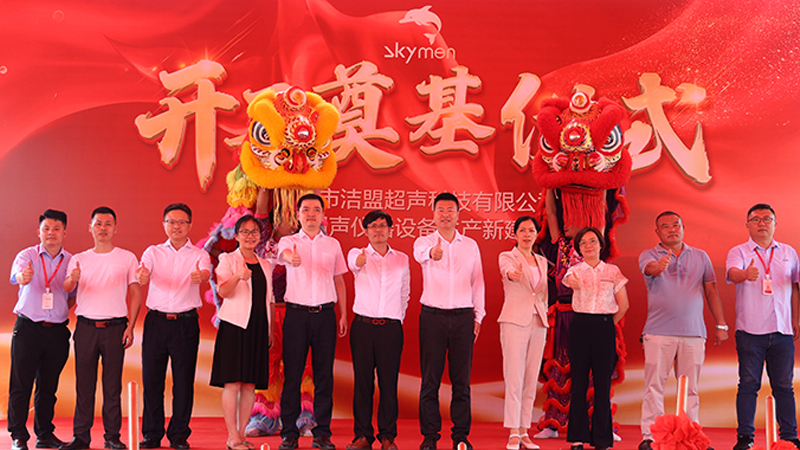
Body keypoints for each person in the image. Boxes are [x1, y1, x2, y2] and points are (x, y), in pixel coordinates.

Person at [637, 212, 729, 450]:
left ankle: (691, 436)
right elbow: (650, 269)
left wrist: (721, 324)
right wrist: (659, 266)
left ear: (683, 228)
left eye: (675, 225)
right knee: (654, 386)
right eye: (665, 226)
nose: (672, 230)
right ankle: (651, 436)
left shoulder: (700, 256)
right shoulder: (649, 255)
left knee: (690, 388)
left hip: (694, 332)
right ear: (657, 232)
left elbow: (711, 291)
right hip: (658, 331)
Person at [61, 207, 142, 450]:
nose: (103, 228)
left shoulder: (127, 258)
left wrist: (131, 326)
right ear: (90, 228)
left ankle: (112, 437)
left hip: (116, 327)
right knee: (84, 386)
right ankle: (81, 437)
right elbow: (67, 288)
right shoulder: (79, 259)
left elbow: (135, 293)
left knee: (112, 386)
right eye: (98, 224)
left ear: (115, 228)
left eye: (108, 224)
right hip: (86, 328)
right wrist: (73, 278)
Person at [413, 192, 485, 450]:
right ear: (433, 215)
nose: (445, 215)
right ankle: (429, 436)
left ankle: (460, 436)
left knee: (461, 382)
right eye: (440, 210)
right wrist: (432, 253)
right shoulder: (424, 242)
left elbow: (478, 281)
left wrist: (478, 315)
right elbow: (420, 254)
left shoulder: (470, 245)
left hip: (463, 318)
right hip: (432, 317)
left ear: (457, 215)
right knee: (430, 380)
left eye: (450, 210)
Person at [137, 203, 212, 450]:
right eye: (171, 222)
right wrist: (142, 276)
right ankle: (152, 434)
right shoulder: (153, 252)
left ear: (190, 225)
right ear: (164, 225)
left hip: (185, 324)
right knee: (152, 381)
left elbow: (205, 272)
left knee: (183, 382)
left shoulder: (199, 255)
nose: (176, 226)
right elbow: (143, 271)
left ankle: (179, 434)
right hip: (156, 323)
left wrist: (201, 277)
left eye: (181, 222)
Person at [277, 194, 348, 450]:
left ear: (323, 215)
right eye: (306, 209)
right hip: (296, 316)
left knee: (324, 375)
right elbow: (283, 255)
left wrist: (343, 314)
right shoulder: (289, 241)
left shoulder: (332, 244)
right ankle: (289, 434)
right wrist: (291, 258)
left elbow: (339, 279)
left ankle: (322, 434)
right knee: (292, 375)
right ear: (298, 215)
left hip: (325, 315)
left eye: (316, 210)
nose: (311, 214)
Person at [726, 204, 800, 450]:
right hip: (750, 331)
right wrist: (745, 274)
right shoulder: (739, 251)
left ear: (775, 224)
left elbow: (795, 288)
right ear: (747, 225)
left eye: (767, 219)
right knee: (748, 385)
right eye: (755, 219)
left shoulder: (789, 252)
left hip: (782, 331)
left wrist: (795, 320)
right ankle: (745, 437)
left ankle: (789, 436)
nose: (761, 223)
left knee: (784, 386)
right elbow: (732, 273)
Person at [8, 210, 73, 450]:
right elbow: (18, 275)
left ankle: (44, 434)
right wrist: (23, 276)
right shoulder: (27, 256)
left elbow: (73, 295)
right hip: (28, 328)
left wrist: (56, 311)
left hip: (56, 332)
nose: (51, 233)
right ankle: (18, 436)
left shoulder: (71, 261)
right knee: (21, 384)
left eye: (56, 228)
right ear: (39, 232)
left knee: (48, 386)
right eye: (46, 228)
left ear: (64, 232)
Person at [345, 211, 410, 450]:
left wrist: (396, 318)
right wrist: (360, 261)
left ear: (390, 230)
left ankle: (388, 436)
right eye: (373, 226)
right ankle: (363, 435)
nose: (378, 230)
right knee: (363, 383)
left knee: (389, 383)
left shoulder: (401, 259)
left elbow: (405, 293)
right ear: (365, 231)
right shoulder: (357, 254)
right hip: (363, 327)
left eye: (383, 225)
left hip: (390, 329)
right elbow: (354, 263)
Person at [210, 215, 274, 450]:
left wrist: (270, 329)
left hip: (258, 327)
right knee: (233, 383)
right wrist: (238, 276)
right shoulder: (228, 259)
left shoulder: (265, 264)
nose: (250, 235)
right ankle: (233, 436)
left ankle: (241, 434)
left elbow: (269, 300)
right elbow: (223, 292)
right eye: (244, 231)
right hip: (234, 326)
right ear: (236, 236)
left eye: (254, 231)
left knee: (249, 384)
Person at [563, 227, 628, 450]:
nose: (588, 246)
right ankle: (577, 438)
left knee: (602, 384)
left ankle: (602, 439)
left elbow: (624, 305)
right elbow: (569, 281)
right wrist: (574, 283)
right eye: (583, 243)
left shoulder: (612, 271)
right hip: (580, 326)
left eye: (592, 241)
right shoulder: (574, 270)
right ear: (578, 249)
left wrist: (607, 323)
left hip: (603, 327)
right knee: (579, 382)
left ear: (601, 245)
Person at [498, 216, 549, 450]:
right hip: (514, 321)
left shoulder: (542, 261)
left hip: (538, 321)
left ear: (536, 233)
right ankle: (513, 431)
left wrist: (544, 315)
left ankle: (525, 430)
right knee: (514, 376)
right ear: (515, 234)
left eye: (531, 230)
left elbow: (542, 294)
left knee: (530, 377)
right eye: (522, 230)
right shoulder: (507, 257)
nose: (527, 234)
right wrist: (513, 275)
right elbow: (507, 272)